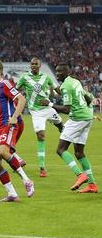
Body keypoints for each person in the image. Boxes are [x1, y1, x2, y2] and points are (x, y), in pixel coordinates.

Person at [40, 63, 98, 193]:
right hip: (87, 117)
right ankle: (92, 185)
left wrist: (49, 103)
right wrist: (88, 111)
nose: (58, 73)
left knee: (61, 149)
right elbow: (88, 98)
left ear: (67, 72)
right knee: (79, 152)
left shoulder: (66, 86)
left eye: (60, 72)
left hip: (77, 119)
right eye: (57, 71)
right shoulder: (75, 82)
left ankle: (80, 175)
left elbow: (66, 110)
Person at [0, 59, 34, 202]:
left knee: (3, 152)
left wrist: (14, 117)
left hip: (8, 124)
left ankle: (27, 181)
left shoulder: (5, 84)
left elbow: (22, 99)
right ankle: (12, 193)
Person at [16, 58, 63, 177]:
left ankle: (64, 135)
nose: (34, 66)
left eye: (36, 64)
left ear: (40, 65)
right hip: (36, 112)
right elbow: (15, 91)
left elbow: (56, 89)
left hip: (48, 108)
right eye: (32, 64)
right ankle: (42, 167)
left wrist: (65, 91)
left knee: (61, 126)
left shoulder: (46, 77)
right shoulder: (24, 77)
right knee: (41, 136)